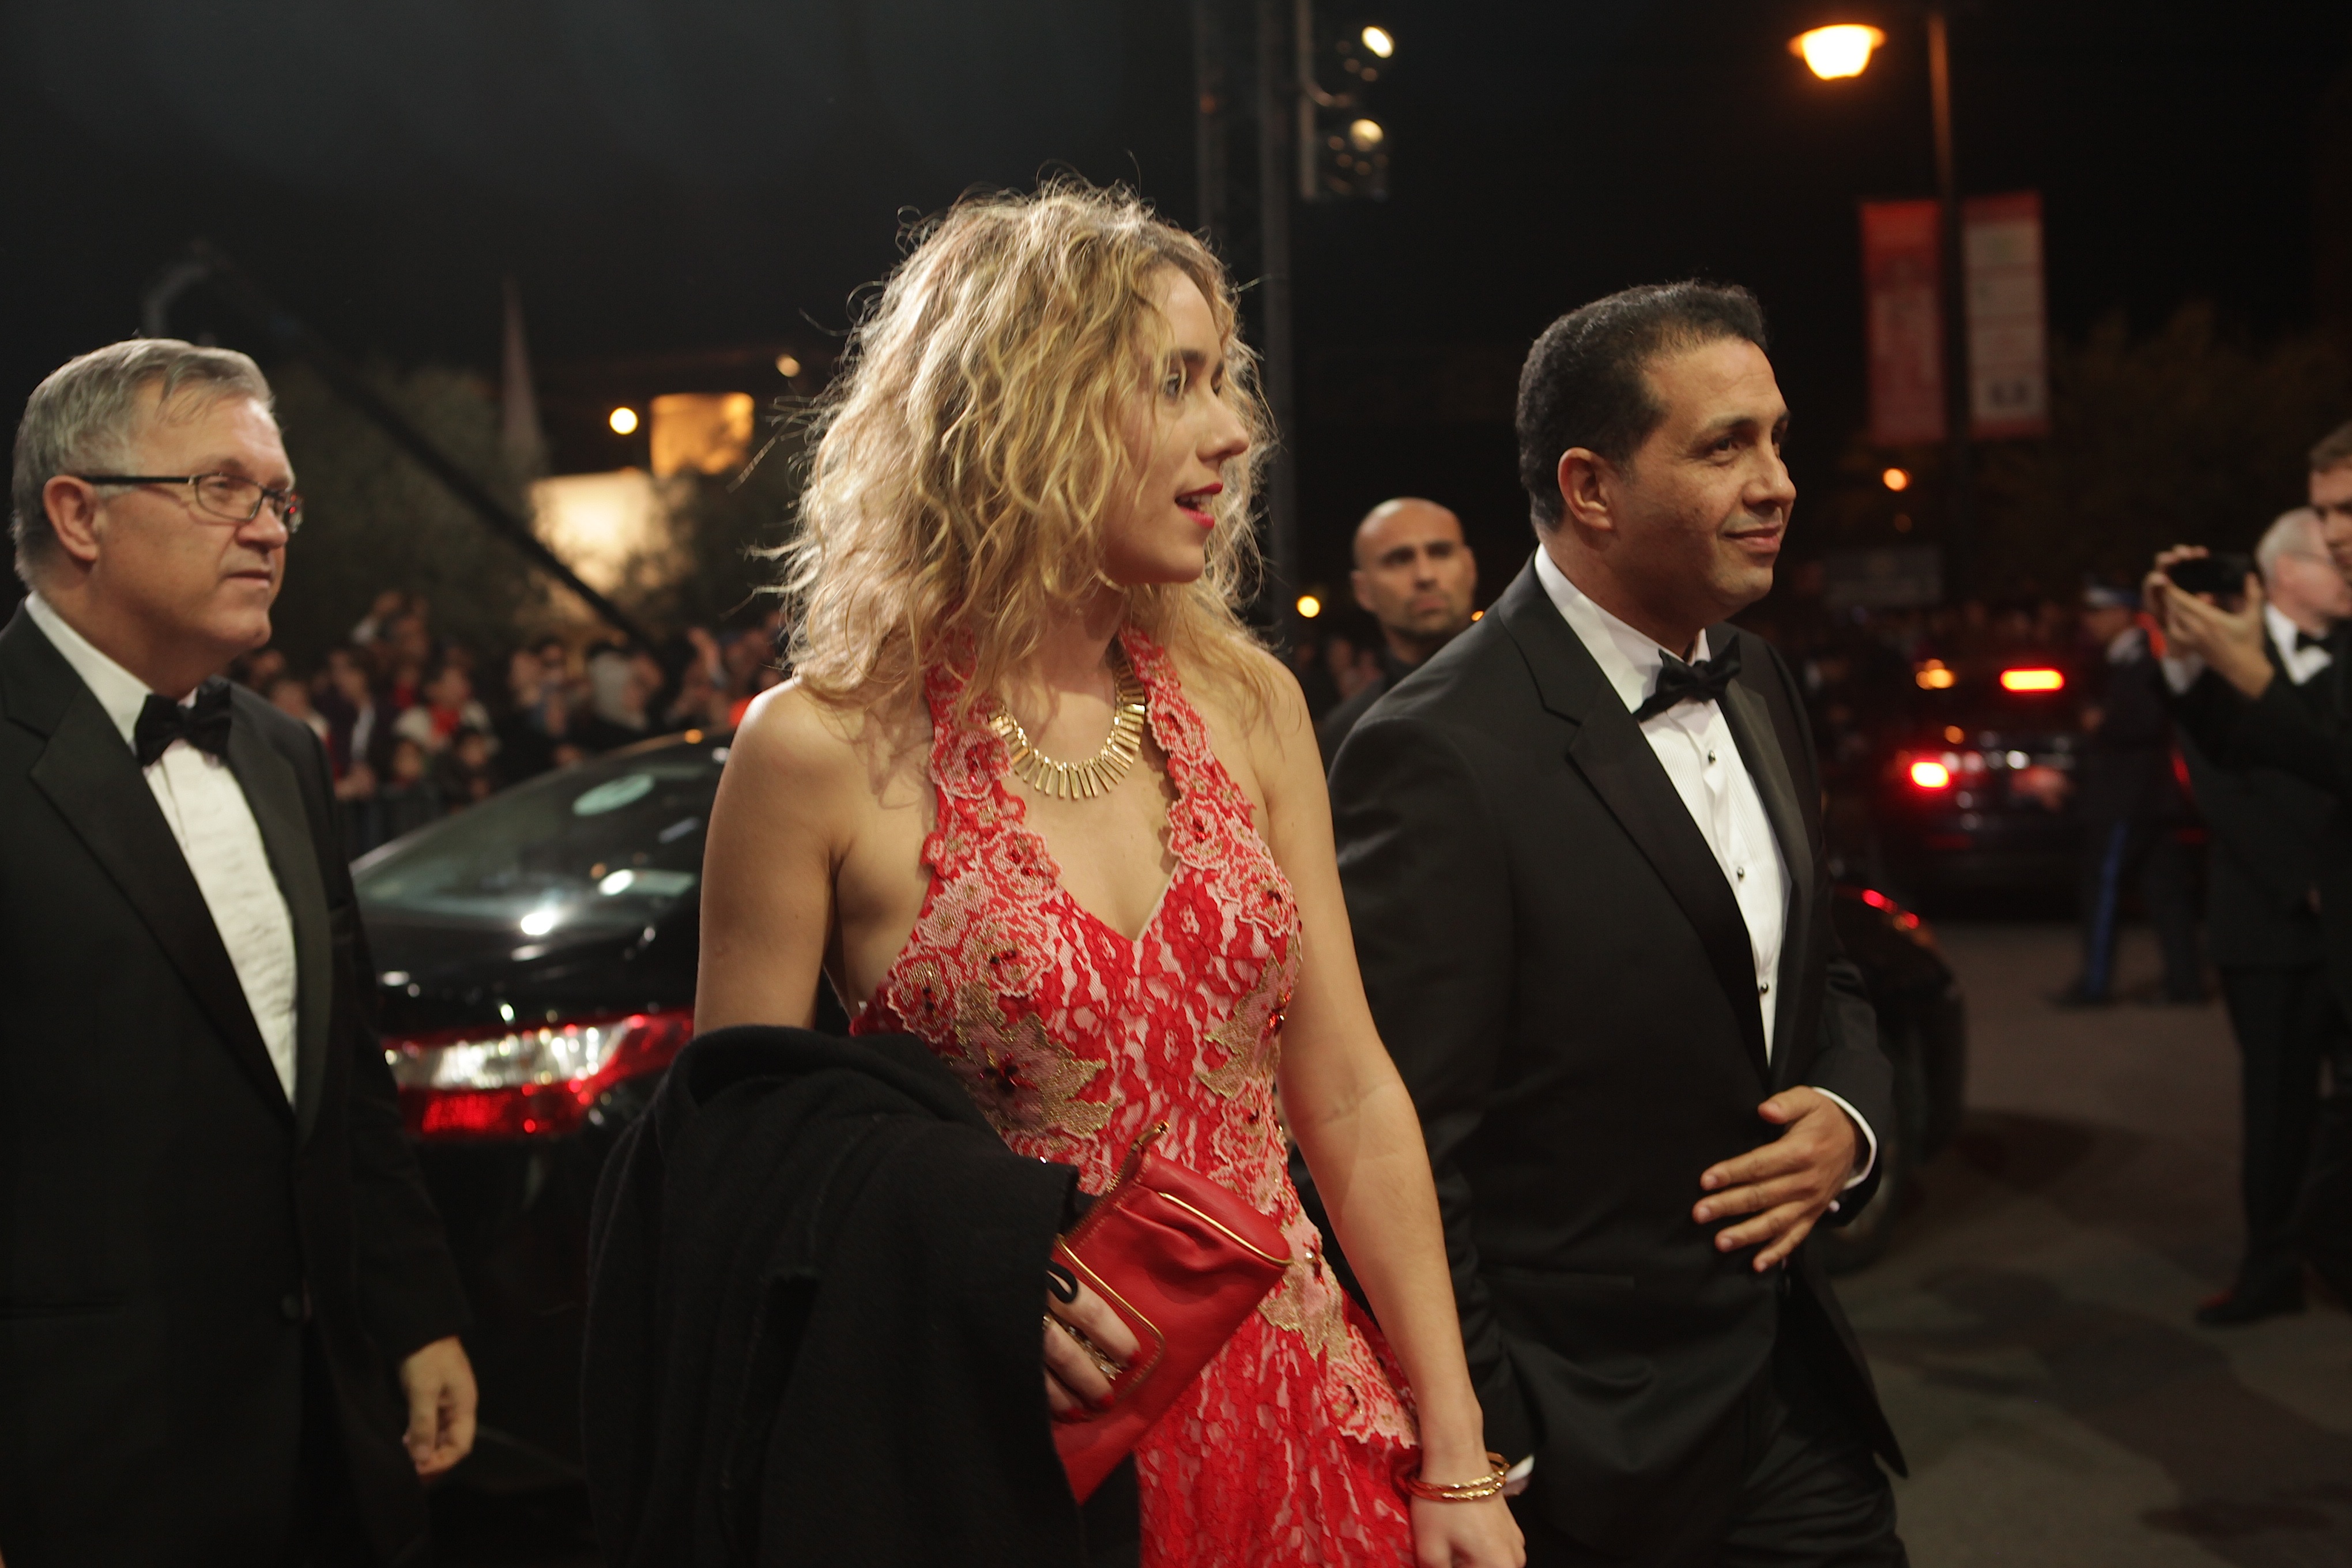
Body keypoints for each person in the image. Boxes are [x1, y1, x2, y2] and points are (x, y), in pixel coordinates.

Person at [692, 184, 1521, 1567]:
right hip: (1009, 1460)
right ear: (1029, 410)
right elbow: (736, 1158)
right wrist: (960, 1264)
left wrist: (1455, 1449)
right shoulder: (815, 748)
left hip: (1302, 1423)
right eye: (1175, 382)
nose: (1232, 431)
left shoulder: (1249, 702)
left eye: (1224, 380)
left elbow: (1348, 1094)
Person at [1326, 282, 1905, 1566]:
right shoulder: (1437, 750)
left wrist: (1849, 1119)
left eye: (1777, 438)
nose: (1777, 482)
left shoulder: (1759, 676)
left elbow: (1824, 974)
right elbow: (1394, 1136)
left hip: (1798, 1397)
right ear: (1590, 488)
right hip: (1593, 1454)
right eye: (1725, 446)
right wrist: (1493, 1437)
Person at [0, 339, 475, 1565]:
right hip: (85, 1466)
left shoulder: (280, 750)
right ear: (78, 514)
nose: (268, 530)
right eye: (222, 489)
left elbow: (344, 1079)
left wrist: (416, 1312)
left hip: (327, 1435)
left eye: (279, 499)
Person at [2143, 418, 2352, 1310]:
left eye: (2345, 516)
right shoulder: (2231, 655)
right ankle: (2275, 1264)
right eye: (2323, 522)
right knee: (2277, 1108)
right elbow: (2223, 780)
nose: (2336, 545)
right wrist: (2193, 652)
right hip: (2272, 923)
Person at [2056, 581, 2203, 1006]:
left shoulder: (2141, 657)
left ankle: (2096, 984)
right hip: (2148, 795)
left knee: (2103, 886)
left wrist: (2101, 723)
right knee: (2165, 891)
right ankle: (2184, 983)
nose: (2090, 622)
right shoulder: (2123, 658)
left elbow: (2145, 722)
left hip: (2128, 797)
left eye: (2098, 612)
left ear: (2122, 613)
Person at [1316, 497, 1479, 763]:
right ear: (1363, 590)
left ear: (1470, 568)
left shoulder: (1534, 684)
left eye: (1440, 553)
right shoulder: (1348, 731)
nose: (1425, 575)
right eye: (1399, 560)